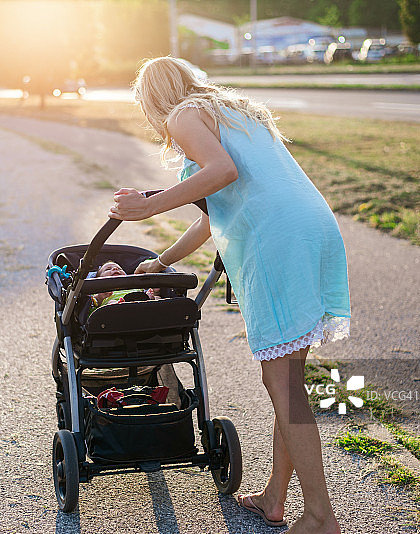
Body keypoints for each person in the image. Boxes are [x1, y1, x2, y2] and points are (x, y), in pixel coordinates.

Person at [109, 56, 350, 534]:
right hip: (313, 227)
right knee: (289, 382)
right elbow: (210, 217)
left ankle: (321, 517)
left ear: (153, 100)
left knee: (280, 384)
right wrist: (161, 262)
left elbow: (222, 172)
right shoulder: (234, 110)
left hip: (275, 239)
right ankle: (276, 497)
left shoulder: (183, 116)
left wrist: (149, 206)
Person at [90, 261, 156, 313]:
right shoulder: (99, 289)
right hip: (113, 308)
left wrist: (150, 294)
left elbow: (144, 291)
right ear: (98, 278)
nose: (115, 269)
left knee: (155, 297)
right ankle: (118, 306)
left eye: (119, 269)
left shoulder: (134, 285)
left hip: (139, 302)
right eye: (108, 269)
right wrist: (99, 297)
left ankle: (150, 300)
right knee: (110, 302)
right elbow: (90, 307)